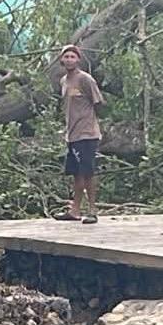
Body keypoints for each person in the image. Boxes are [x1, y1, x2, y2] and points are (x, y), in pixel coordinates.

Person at [53, 44, 104, 224]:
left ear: (78, 59)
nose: (69, 60)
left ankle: (92, 210)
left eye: (72, 57)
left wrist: (92, 123)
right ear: (61, 60)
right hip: (72, 134)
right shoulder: (64, 81)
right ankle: (75, 210)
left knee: (88, 172)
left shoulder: (86, 79)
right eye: (66, 57)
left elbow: (98, 103)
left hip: (87, 133)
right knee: (76, 173)